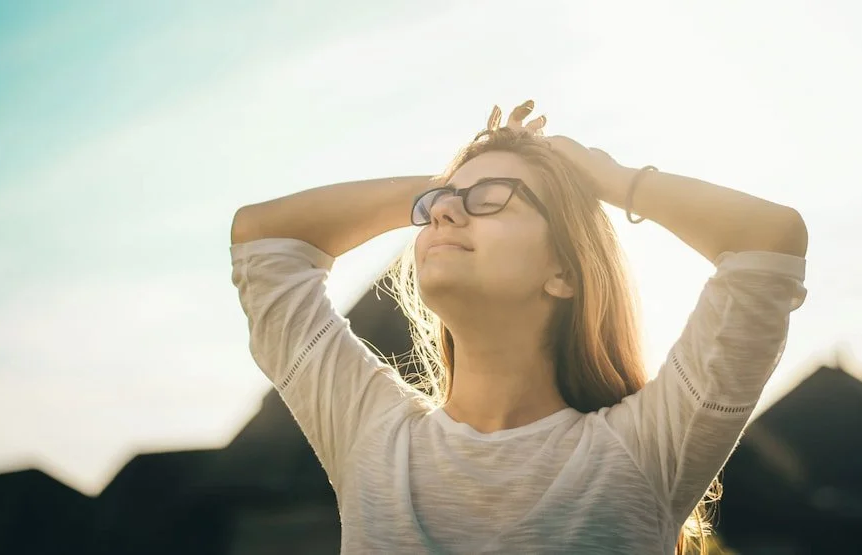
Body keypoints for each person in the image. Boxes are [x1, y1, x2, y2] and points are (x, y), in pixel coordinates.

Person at [229, 100, 808, 554]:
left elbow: (768, 241)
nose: (445, 212)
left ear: (564, 271)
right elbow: (263, 237)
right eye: (437, 206)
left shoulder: (644, 448)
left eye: (492, 200)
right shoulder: (372, 436)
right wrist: (446, 183)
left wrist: (608, 178)